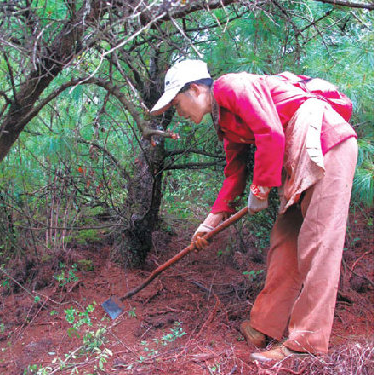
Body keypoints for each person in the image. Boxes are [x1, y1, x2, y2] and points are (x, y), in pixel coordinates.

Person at [150, 59, 357, 362]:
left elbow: (271, 133)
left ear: (194, 89)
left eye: (177, 103)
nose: (177, 112)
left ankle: (306, 347)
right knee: (285, 241)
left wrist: (260, 189)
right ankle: (264, 326)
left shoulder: (230, 86)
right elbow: (234, 175)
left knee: (319, 244)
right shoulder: (224, 123)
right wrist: (210, 222)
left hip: (323, 141)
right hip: (299, 154)